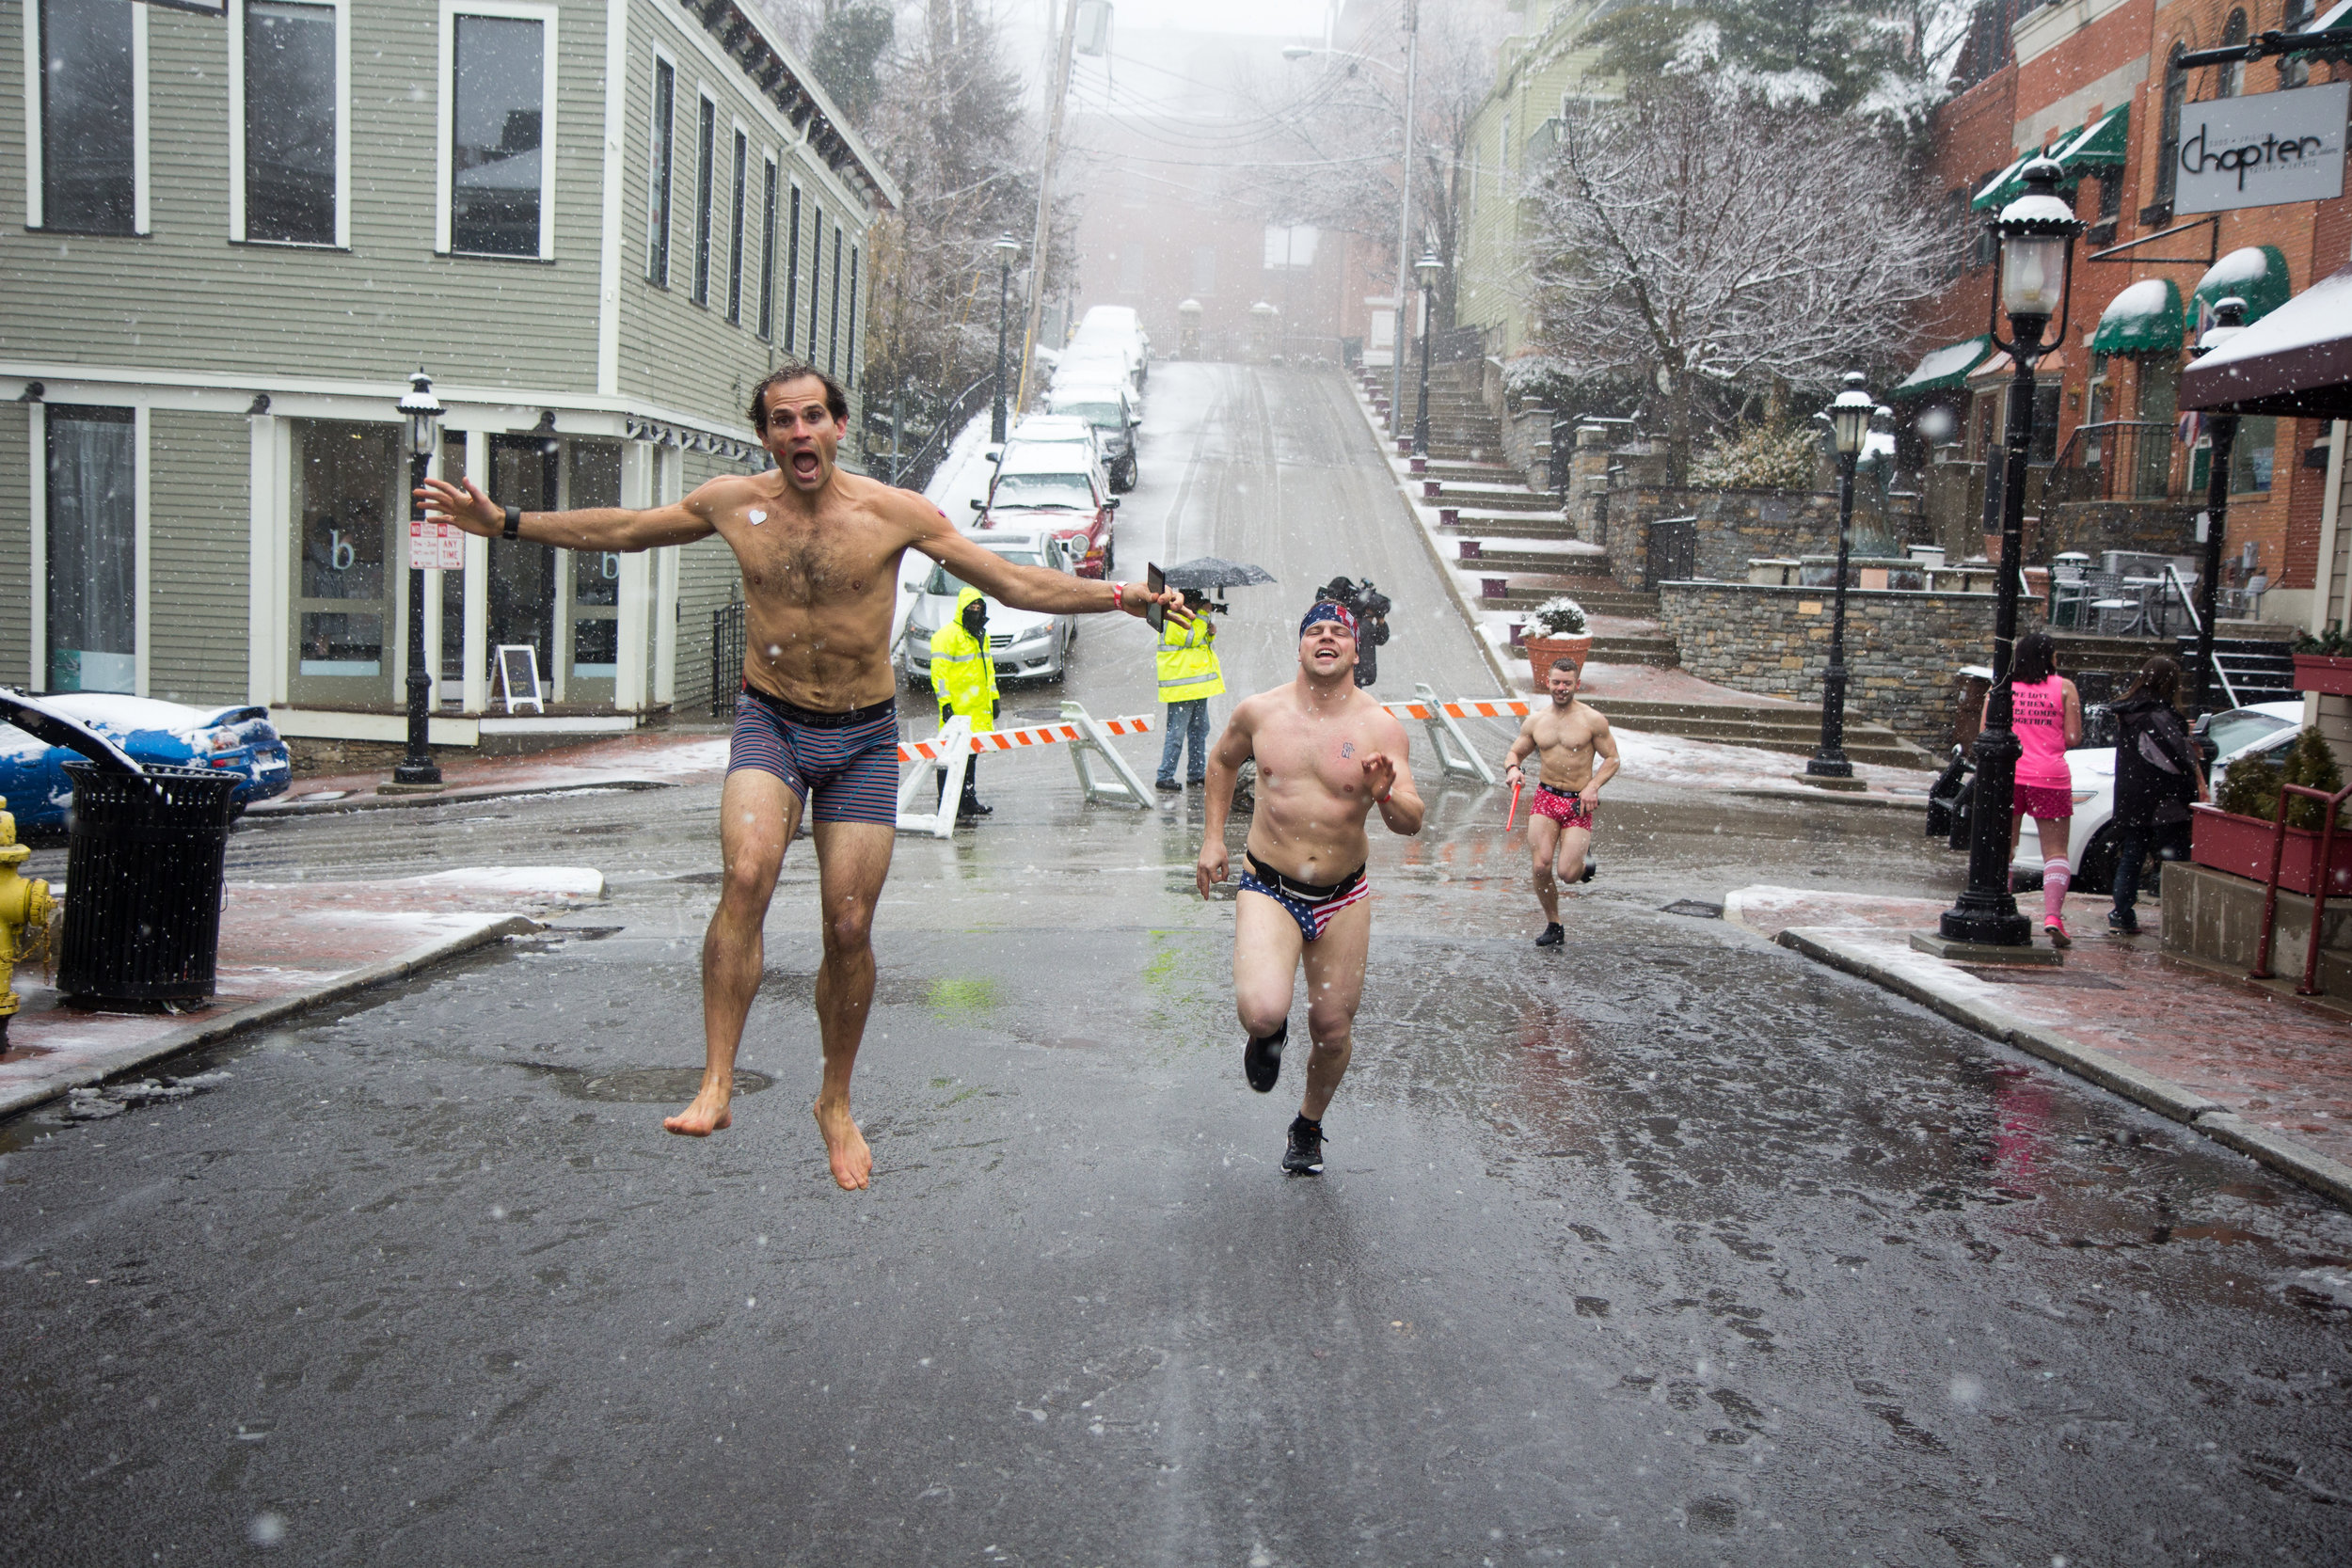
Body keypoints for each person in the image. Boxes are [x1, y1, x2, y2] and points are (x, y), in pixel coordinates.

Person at [418, 361, 1184, 1189]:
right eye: (781, 421)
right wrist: (507, 522)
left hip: (860, 737)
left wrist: (1118, 596)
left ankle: (835, 1099)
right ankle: (717, 1077)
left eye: (812, 416)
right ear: (765, 435)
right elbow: (627, 529)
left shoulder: (894, 514)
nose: (798, 432)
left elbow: (1015, 582)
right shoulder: (731, 504)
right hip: (773, 722)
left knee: (848, 927)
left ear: (838, 426)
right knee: (748, 872)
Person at [1194, 600, 1424, 1175]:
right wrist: (1213, 839)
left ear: (1354, 649)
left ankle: (1308, 1124)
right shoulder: (1260, 713)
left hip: (1344, 895)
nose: (1326, 638)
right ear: (1299, 647)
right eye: (1314, 631)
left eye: (1338, 632)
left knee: (1332, 1029)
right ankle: (1268, 1030)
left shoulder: (1380, 725)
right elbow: (1221, 763)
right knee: (1264, 1011)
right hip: (1269, 885)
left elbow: (1411, 820)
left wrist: (1384, 793)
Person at [1502, 656, 1619, 947]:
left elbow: (1613, 759)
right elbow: (1514, 753)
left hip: (1578, 802)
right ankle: (1554, 924)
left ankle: (1583, 863)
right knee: (1541, 867)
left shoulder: (1592, 720)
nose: (1561, 688)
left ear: (1577, 684)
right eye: (1556, 682)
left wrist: (1593, 786)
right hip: (1545, 798)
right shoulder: (1537, 721)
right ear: (1548, 682)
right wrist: (1513, 769)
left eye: (1567, 683)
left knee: (1568, 874)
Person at [1993, 628, 2083, 947]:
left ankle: (1999, 904)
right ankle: (2052, 917)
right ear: (2050, 657)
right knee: (2055, 852)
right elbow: (2073, 738)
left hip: (2011, 775)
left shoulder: (2002, 690)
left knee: (2006, 848)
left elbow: (1984, 733)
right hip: (2050, 777)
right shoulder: (2065, 689)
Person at [2106, 655, 2206, 935]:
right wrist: (2191, 759)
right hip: (2161, 798)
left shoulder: (2130, 711)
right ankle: (2178, 919)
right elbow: (2173, 759)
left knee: (2133, 855)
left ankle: (2122, 913)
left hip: (2132, 794)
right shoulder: (2156, 714)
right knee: (2175, 857)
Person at [929, 585, 997, 820]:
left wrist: (994, 698)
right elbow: (939, 674)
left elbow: (989, 670)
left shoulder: (980, 634)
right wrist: (946, 703)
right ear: (962, 609)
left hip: (977, 709)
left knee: (970, 756)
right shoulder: (947, 636)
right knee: (948, 757)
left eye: (979, 607)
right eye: (971, 607)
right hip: (957, 710)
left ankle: (968, 799)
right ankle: (946, 803)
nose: (975, 611)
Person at [1155, 588, 1224, 791]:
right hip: (1182, 687)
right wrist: (1203, 616)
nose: (1197, 609)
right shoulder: (1173, 618)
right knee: (1176, 733)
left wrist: (1209, 634)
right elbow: (1190, 638)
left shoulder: (1191, 620)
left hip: (1197, 686)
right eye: (1197, 605)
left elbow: (1198, 644)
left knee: (1199, 731)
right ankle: (1165, 775)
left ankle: (1196, 773)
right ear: (1189, 604)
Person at [1317, 576, 1391, 689]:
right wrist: (1368, 619)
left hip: (1359, 676)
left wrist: (1380, 620)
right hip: (1343, 675)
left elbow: (1380, 639)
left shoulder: (1360, 618)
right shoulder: (1337, 617)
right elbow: (1353, 638)